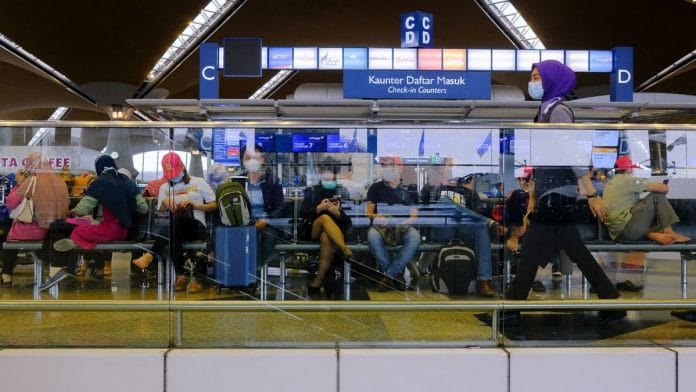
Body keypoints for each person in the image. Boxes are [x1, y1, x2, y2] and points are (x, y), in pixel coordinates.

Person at [504, 59, 625, 324]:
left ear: (551, 80)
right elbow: (543, 159)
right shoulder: (544, 110)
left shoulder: (558, 111)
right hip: (552, 194)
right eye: (533, 77)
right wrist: (534, 197)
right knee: (574, 253)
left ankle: (510, 309)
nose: (533, 82)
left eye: (537, 77)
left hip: (559, 194)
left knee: (531, 255)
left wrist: (592, 193)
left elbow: (570, 152)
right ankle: (612, 303)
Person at [40, 155, 148, 290]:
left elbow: (84, 208)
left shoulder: (99, 182)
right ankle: (69, 262)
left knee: (60, 228)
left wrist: (74, 210)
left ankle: (58, 270)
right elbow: (144, 208)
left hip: (108, 230)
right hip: (125, 231)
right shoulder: (128, 182)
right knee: (72, 230)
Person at [132, 152, 216, 293]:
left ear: (182, 167)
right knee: (175, 227)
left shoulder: (199, 182)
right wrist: (165, 202)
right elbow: (161, 212)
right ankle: (185, 277)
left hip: (196, 225)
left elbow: (213, 205)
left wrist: (195, 205)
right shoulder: (165, 188)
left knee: (177, 221)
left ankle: (152, 256)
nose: (174, 178)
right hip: (176, 228)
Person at [0, 153, 70, 288]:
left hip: (34, 231)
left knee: (9, 236)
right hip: (54, 231)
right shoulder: (60, 181)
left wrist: (18, 184)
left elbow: (11, 203)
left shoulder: (32, 181)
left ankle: (6, 274)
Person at [603, 156, 690, 245]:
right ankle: (669, 232)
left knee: (649, 207)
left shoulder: (609, 183)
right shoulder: (629, 180)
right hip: (628, 229)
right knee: (657, 195)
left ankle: (652, 234)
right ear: (628, 169)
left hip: (617, 235)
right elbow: (664, 189)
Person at [365, 156, 421, 290]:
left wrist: (408, 221)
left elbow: (415, 213)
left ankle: (388, 276)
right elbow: (369, 212)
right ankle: (396, 276)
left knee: (414, 238)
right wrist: (377, 217)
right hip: (382, 226)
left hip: (402, 225)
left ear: (399, 168)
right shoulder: (375, 188)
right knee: (372, 237)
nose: (386, 168)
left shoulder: (409, 189)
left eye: (389, 165)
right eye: (384, 166)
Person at [299, 159, 352, 295]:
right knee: (324, 218)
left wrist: (338, 213)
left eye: (331, 176)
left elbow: (348, 220)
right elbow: (303, 213)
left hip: (334, 232)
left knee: (326, 237)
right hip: (313, 229)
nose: (329, 179)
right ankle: (344, 248)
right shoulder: (312, 191)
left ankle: (319, 278)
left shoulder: (342, 191)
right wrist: (318, 208)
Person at [240, 144, 285, 266]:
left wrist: (266, 220)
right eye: (248, 158)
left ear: (262, 159)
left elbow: (280, 206)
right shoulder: (238, 181)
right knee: (237, 237)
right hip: (244, 222)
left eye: (256, 157)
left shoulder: (272, 180)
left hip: (267, 222)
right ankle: (240, 270)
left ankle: (255, 268)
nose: (252, 161)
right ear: (242, 160)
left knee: (269, 237)